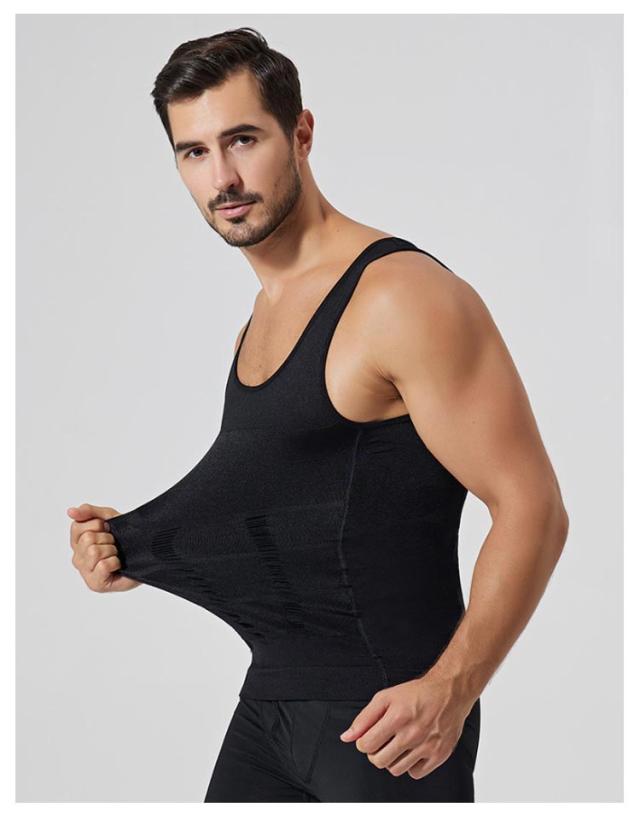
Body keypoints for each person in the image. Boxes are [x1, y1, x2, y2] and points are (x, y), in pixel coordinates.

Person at [67, 27, 569, 802]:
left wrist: (451, 690)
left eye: (243, 140)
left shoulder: (402, 297)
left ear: (301, 133)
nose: (223, 177)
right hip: (271, 709)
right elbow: (296, 502)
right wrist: (137, 544)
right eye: (194, 152)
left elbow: (533, 506)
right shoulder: (261, 317)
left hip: (390, 726)